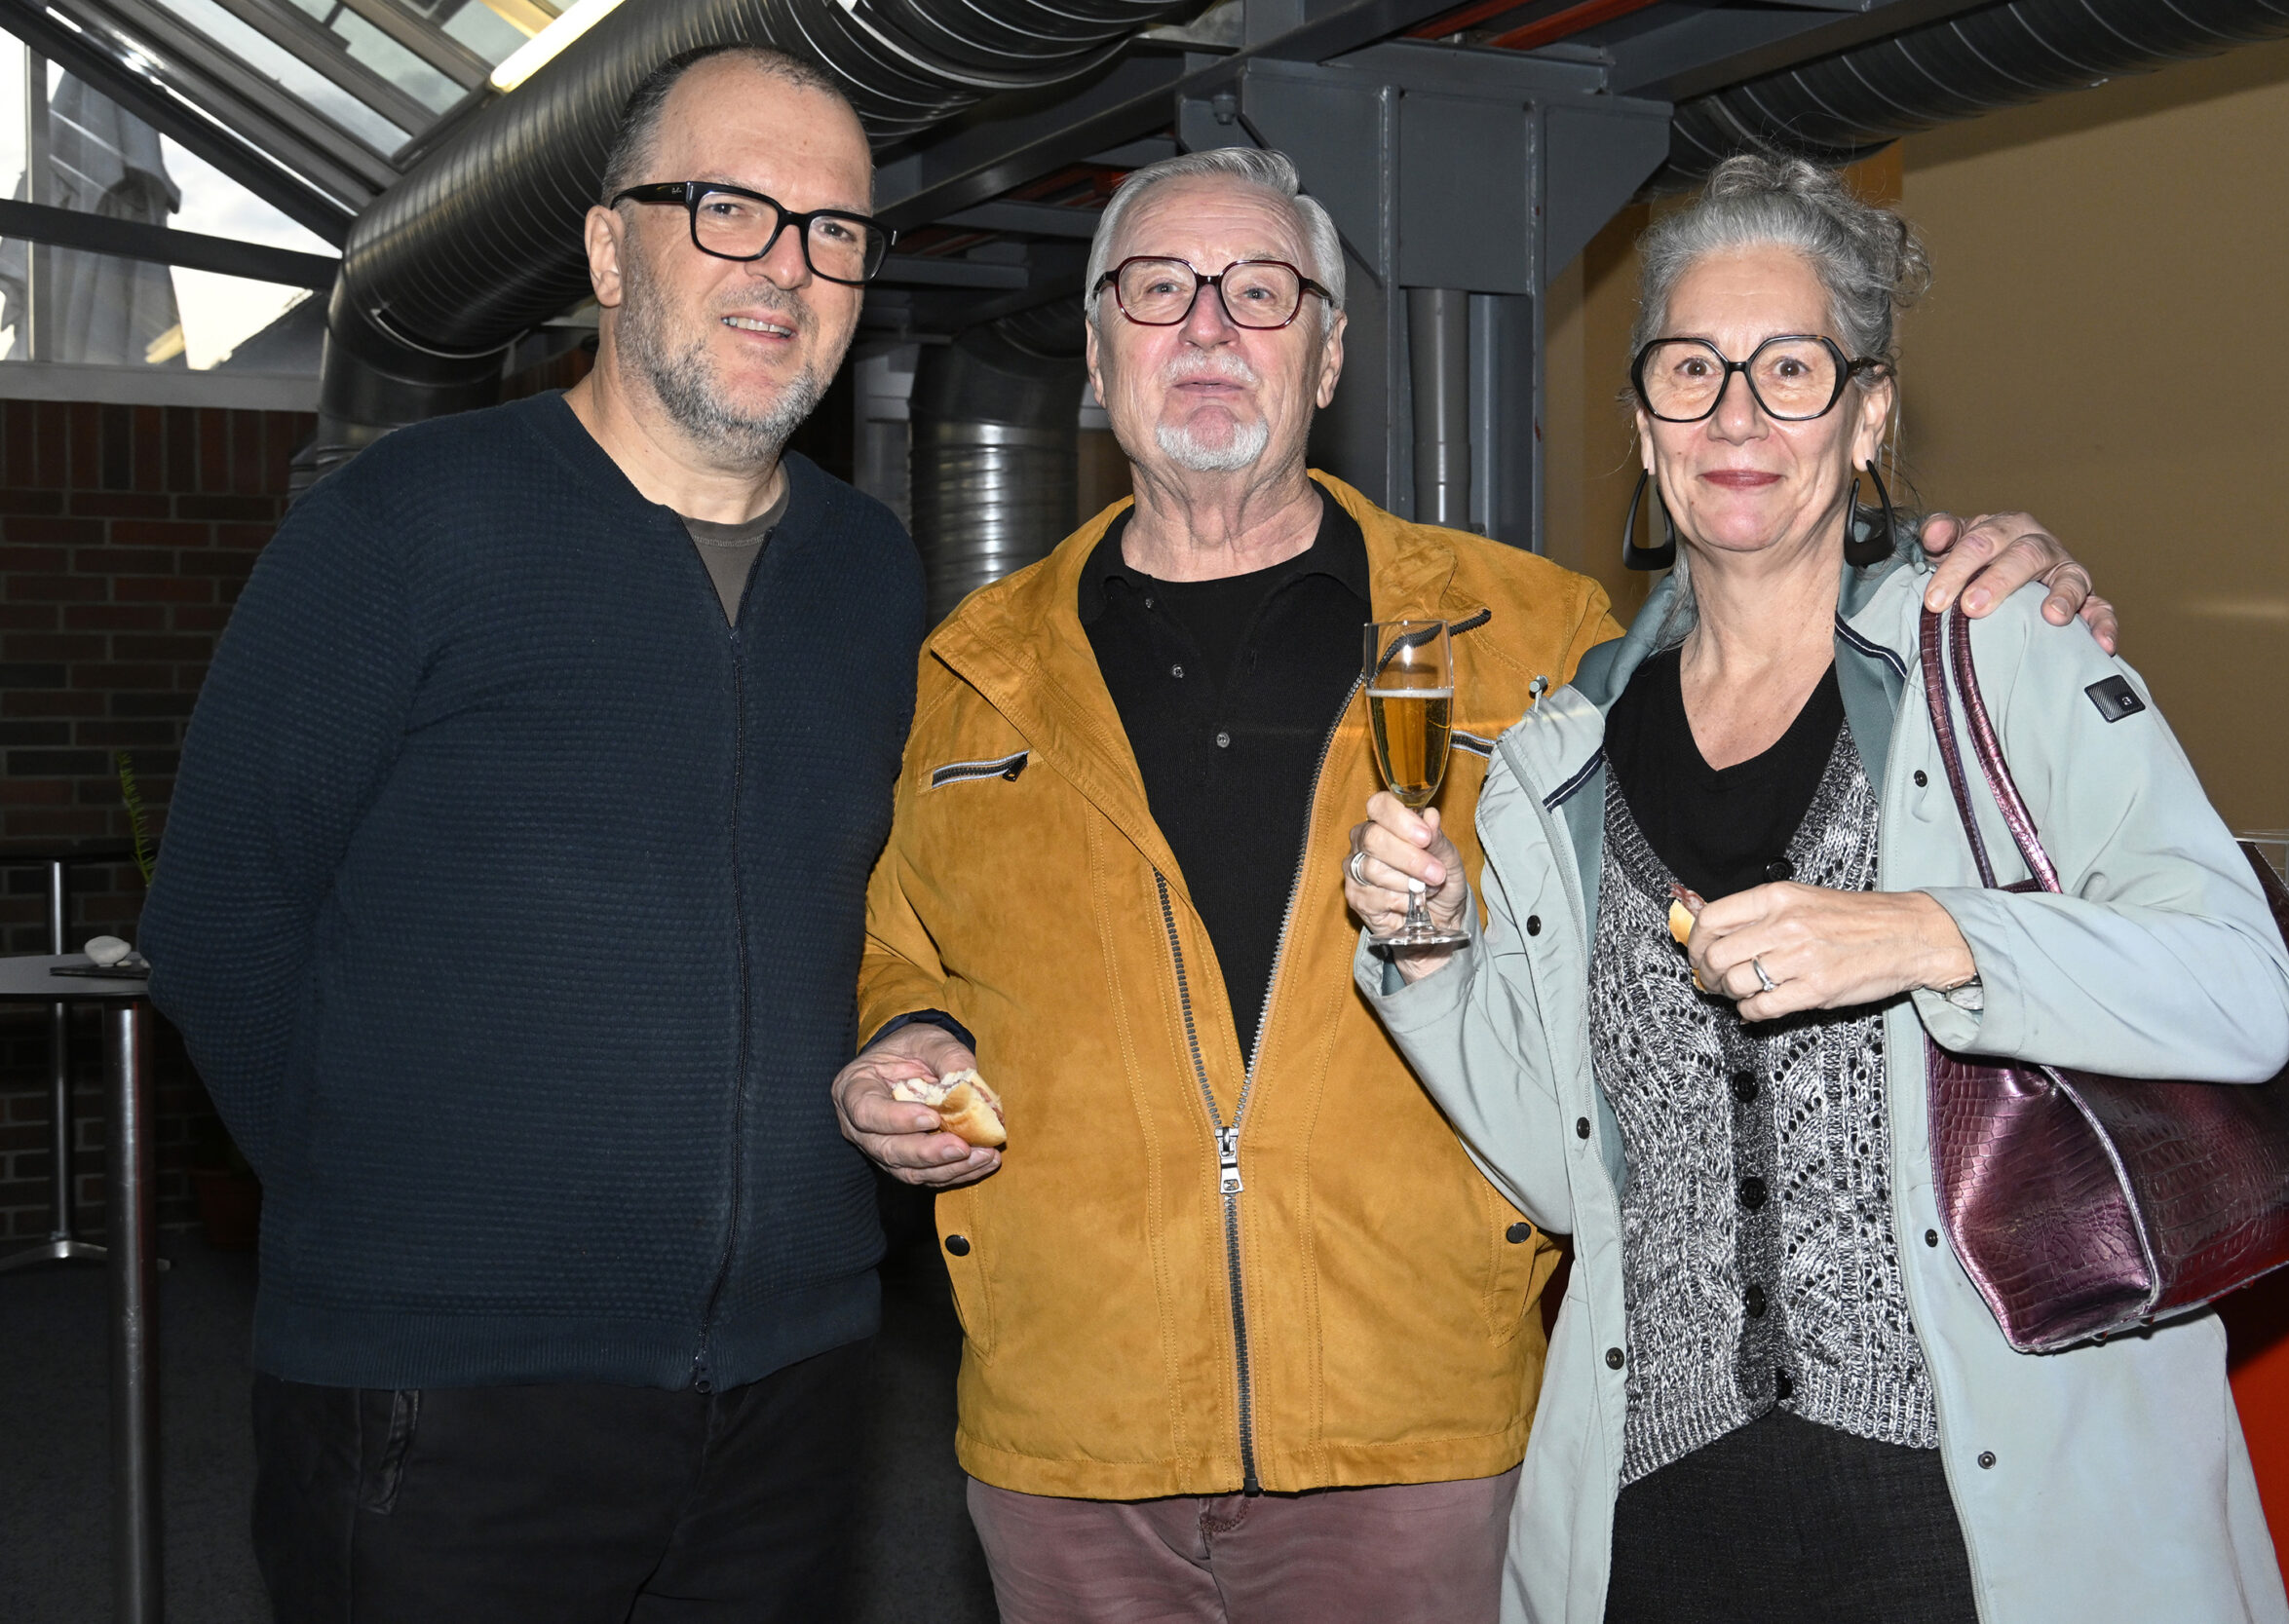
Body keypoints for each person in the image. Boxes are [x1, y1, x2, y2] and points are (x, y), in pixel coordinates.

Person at [838, 145, 2113, 1624]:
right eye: (1159, 290)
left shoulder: (1532, 638)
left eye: (1261, 292)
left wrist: (1990, 565)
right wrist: (899, 1039)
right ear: (1094, 346)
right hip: (1069, 1446)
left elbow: (1773, 605)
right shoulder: (975, 668)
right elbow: (906, 944)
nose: (1208, 327)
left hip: (1417, 1435)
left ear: (1328, 357)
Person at [1342, 153, 2289, 1624]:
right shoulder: (1560, 758)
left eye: (1790, 369)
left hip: (1981, 1522)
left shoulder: (2004, 654)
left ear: (1868, 418)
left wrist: (1929, 936)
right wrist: (1430, 963)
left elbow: (2246, 994)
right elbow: (1561, 1172)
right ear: (1644, 427)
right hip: (1664, 1522)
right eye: (1691, 370)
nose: (1736, 416)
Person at [140, 46, 917, 1623]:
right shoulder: (403, 521)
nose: (786, 265)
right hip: (446, 1402)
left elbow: (893, 912)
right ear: (610, 249)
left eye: (833, 229)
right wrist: (387, 1208)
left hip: (795, 1387)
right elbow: (222, 910)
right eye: (729, 209)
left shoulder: (875, 574)